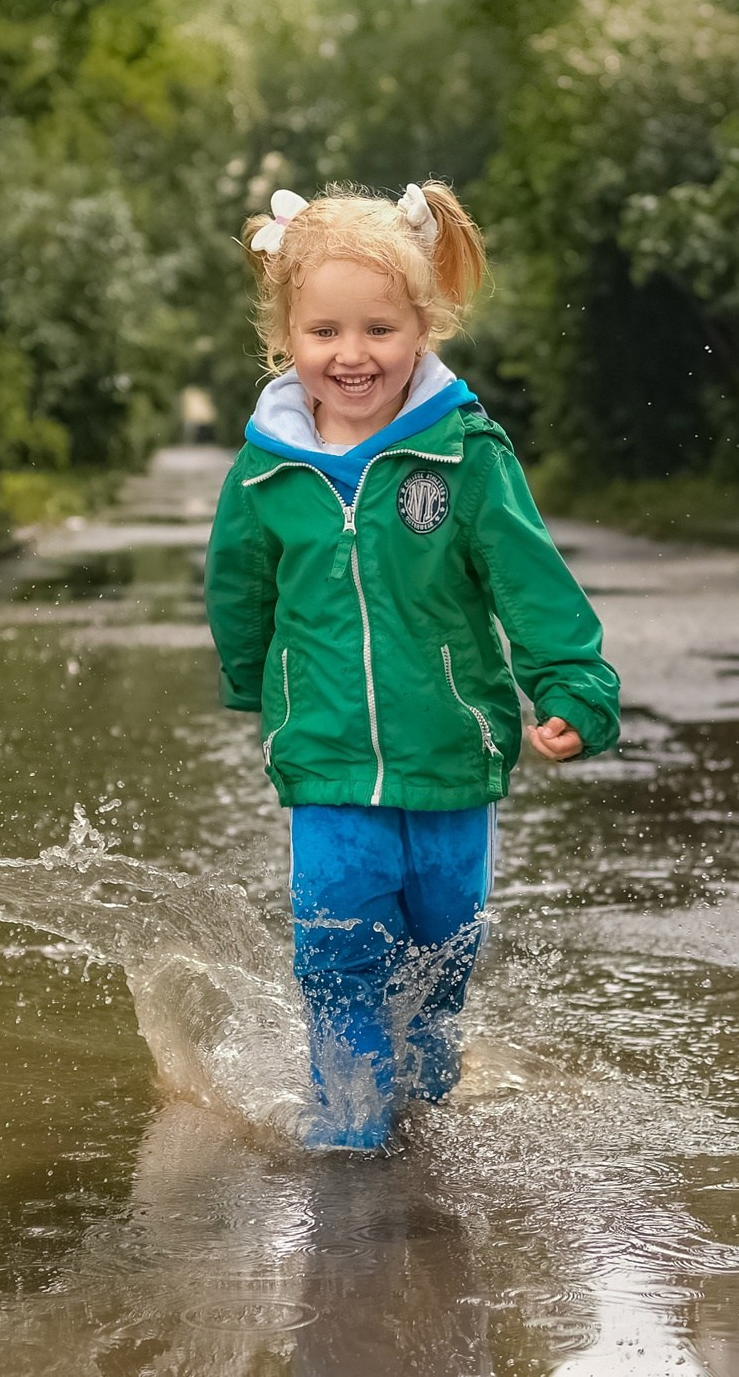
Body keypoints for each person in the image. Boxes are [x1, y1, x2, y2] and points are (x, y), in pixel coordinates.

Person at [204, 181, 621, 1153]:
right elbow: (240, 583)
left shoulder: (463, 453)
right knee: (339, 950)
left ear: (424, 326)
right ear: (286, 335)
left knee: (440, 954)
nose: (351, 354)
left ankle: (424, 1096)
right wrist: (253, 678)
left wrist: (573, 683)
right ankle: (347, 1131)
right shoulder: (267, 470)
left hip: (449, 757)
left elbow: (528, 579)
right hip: (327, 760)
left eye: (379, 329)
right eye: (324, 331)